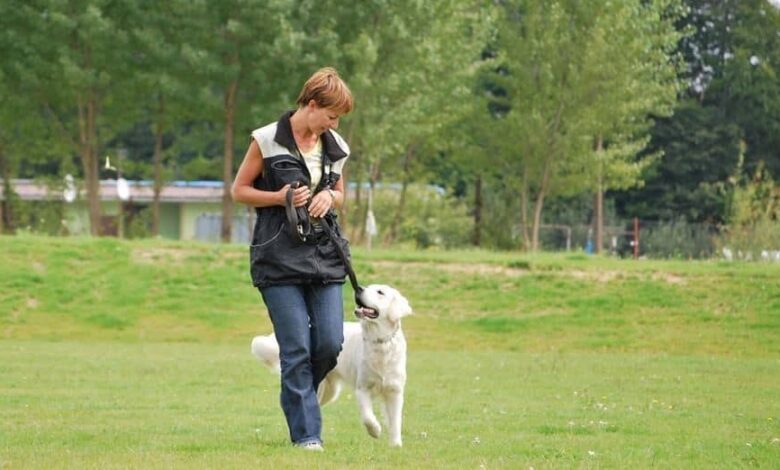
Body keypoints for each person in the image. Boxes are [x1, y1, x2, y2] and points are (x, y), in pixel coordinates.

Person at [231, 67, 354, 452]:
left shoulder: (335, 145)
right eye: (331, 116)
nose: (334, 125)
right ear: (312, 105)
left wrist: (329, 197)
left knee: (330, 343)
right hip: (278, 257)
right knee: (296, 347)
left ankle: (296, 391)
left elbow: (340, 194)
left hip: (325, 256)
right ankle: (307, 435)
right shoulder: (266, 140)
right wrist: (279, 197)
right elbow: (239, 190)